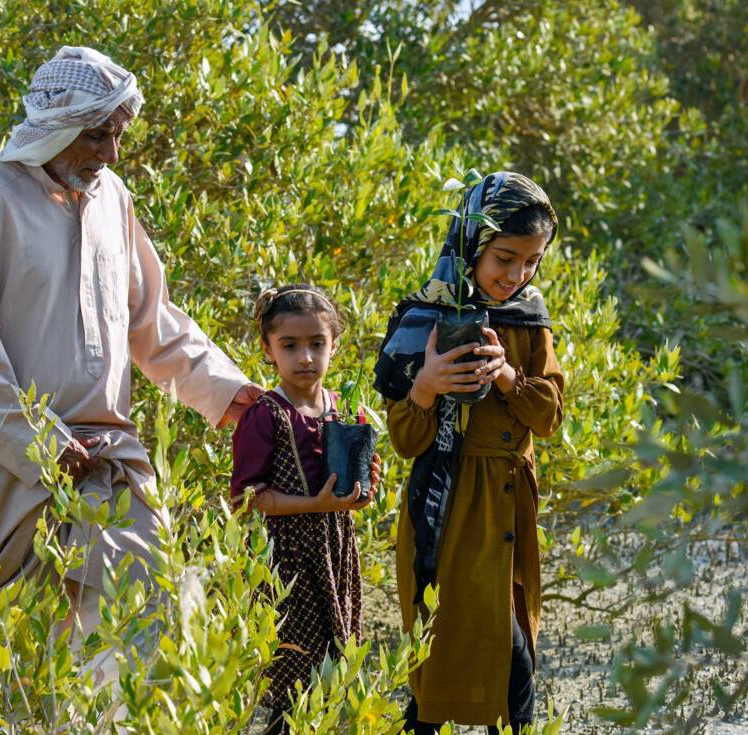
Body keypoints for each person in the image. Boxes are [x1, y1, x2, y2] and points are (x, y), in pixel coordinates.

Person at [0, 46, 262, 729]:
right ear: (56, 123)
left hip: (110, 459)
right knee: (8, 656)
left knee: (149, 626)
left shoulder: (112, 199)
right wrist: (37, 442)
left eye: (118, 134)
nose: (109, 150)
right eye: (97, 132)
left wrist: (231, 394)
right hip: (3, 470)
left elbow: (151, 319)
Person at [373, 172, 565, 733]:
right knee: (447, 661)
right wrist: (427, 385)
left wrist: (508, 376)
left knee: (510, 659)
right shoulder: (426, 317)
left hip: (509, 507)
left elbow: (549, 417)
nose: (516, 275)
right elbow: (408, 442)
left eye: (531, 261)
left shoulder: (530, 320)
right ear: (472, 245)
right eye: (504, 257)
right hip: (450, 509)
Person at [229, 286, 381, 735]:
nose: (305, 357)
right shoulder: (265, 414)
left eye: (317, 343)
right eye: (290, 346)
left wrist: (365, 484)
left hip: (336, 555)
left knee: (334, 676)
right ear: (267, 349)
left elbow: (350, 488)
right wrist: (315, 504)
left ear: (335, 345)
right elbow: (247, 500)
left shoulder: (341, 408)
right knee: (290, 681)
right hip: (287, 565)